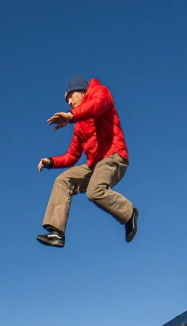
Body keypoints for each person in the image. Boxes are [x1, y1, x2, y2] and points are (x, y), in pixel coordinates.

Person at [36, 74, 138, 248]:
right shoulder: (78, 125)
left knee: (94, 191)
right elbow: (72, 156)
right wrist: (51, 162)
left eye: (70, 96)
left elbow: (95, 106)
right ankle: (57, 233)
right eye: (66, 99)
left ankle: (129, 213)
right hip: (95, 164)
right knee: (63, 180)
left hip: (114, 156)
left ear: (82, 91)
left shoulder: (100, 93)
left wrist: (70, 116)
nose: (68, 101)